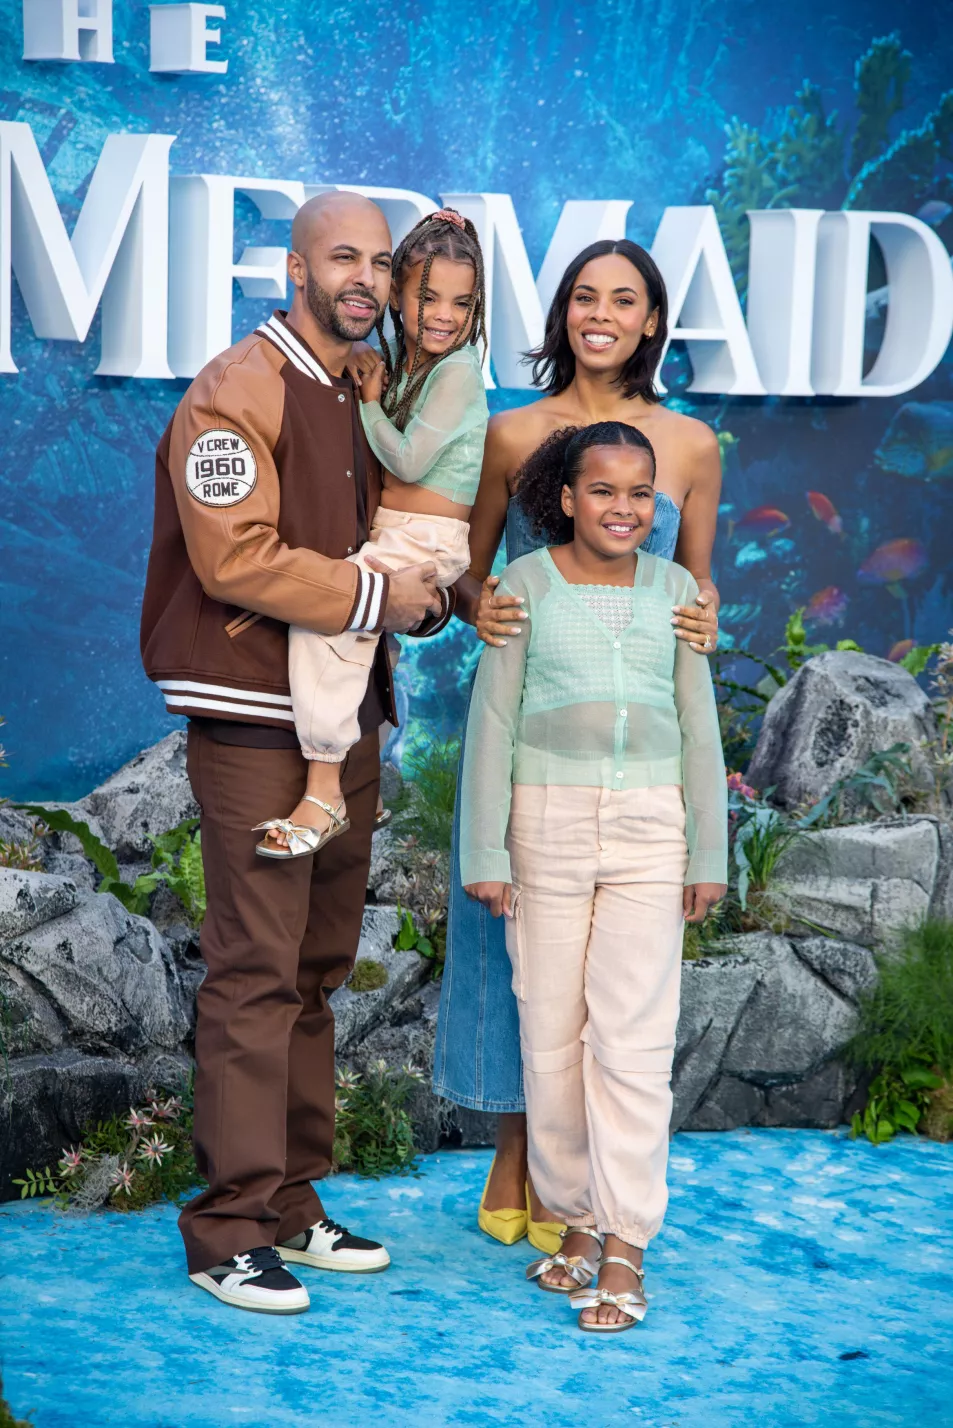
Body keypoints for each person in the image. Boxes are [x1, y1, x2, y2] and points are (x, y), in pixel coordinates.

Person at [140, 191, 452, 1315]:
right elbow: (236, 560)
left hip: (344, 717)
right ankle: (227, 1225)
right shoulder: (238, 389)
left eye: (379, 260)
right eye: (342, 258)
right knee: (255, 971)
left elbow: (391, 537)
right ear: (292, 268)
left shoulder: (355, 387)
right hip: (252, 719)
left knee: (315, 970)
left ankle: (292, 1204)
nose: (364, 278)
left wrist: (424, 595)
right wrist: (378, 588)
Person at [432, 239, 724, 1250]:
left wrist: (702, 621)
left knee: (609, 996)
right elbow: (465, 572)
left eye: (624, 299)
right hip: (531, 709)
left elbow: (691, 587)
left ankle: (600, 1197)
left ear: (651, 320)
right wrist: (487, 610)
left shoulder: (686, 444)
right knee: (509, 951)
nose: (600, 313)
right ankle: (516, 1149)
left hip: (630, 744)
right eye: (583, 297)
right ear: (559, 313)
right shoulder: (511, 431)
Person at [460, 421, 727, 1332]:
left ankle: (625, 1244)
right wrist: (486, 853)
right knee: (549, 1035)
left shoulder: (678, 594)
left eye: (639, 493)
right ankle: (572, 1223)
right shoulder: (523, 588)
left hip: (652, 832)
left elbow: (699, 726)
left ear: (659, 504)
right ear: (565, 500)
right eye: (602, 491)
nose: (623, 508)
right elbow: (491, 724)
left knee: (633, 1043)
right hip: (545, 830)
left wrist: (708, 854)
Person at [256, 210, 489, 858]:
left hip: (425, 538)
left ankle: (325, 784)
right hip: (397, 529)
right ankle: (369, 783)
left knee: (331, 615)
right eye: (427, 297)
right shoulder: (407, 363)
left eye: (461, 303)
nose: (443, 315)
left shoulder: (459, 372)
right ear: (396, 294)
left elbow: (409, 460)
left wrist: (366, 399)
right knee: (368, 649)